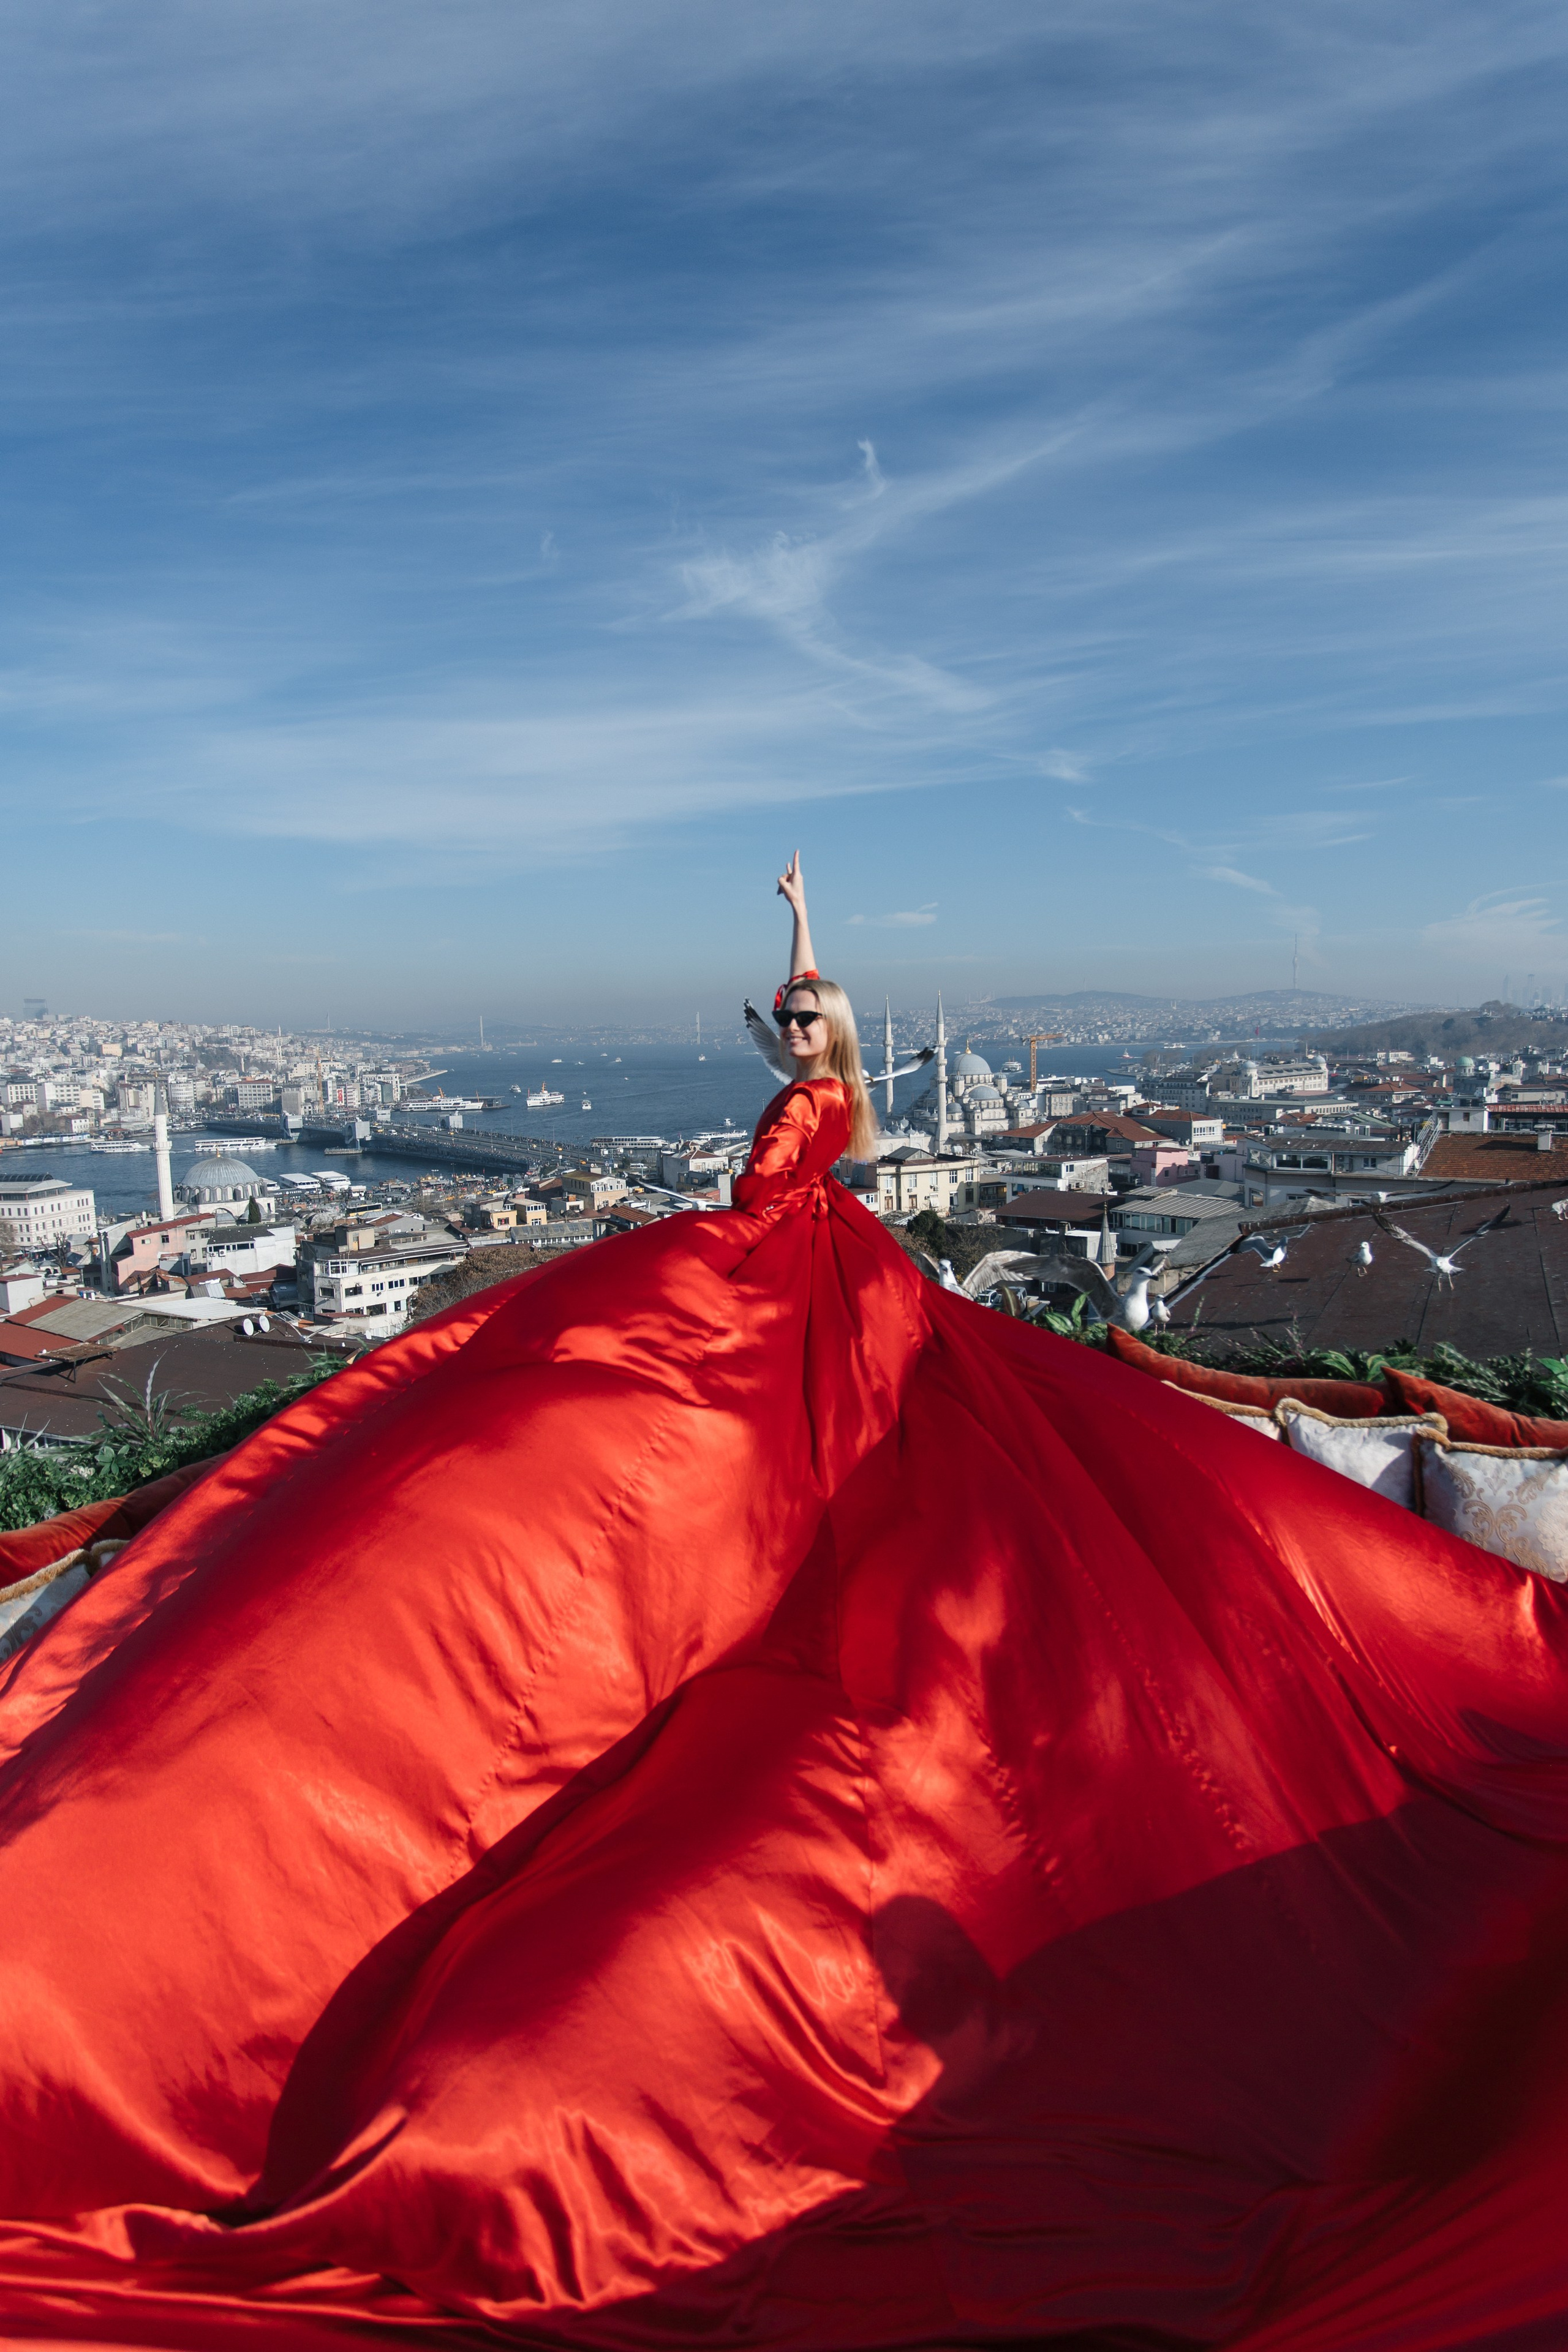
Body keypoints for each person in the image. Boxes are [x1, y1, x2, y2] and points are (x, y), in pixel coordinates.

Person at [1, 861, 1567, 2352]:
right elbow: (792, 1029)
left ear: (841, 1038)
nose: (798, 1033)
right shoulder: (789, 1063)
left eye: (813, 1025)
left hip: (799, 1271)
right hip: (761, 1263)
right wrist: (798, 928)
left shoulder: (838, 1097)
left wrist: (827, 978)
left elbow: (849, 1127)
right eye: (793, 1024)